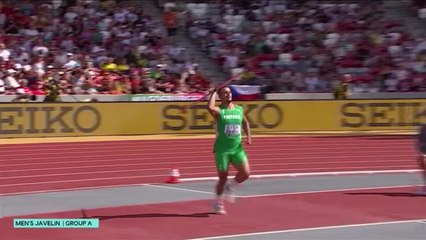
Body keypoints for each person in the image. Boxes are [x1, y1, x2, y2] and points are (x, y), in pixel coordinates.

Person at [207, 86, 251, 215]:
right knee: (222, 177)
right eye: (225, 93)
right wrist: (213, 93)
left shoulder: (239, 109)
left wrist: (248, 136)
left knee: (246, 173)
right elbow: (210, 108)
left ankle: (230, 186)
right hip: (222, 150)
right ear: (220, 97)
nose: (228, 94)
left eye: (229, 92)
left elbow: (245, 123)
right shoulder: (219, 111)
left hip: (237, 148)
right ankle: (217, 202)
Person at [416, 124, 426, 195]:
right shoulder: (422, 128)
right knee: (423, 165)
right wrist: (420, 152)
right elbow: (418, 141)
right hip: (423, 150)